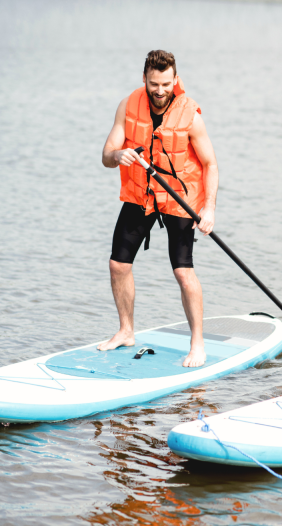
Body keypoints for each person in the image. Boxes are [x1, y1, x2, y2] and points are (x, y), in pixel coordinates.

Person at [98, 50, 219, 368]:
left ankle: (198, 344)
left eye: (166, 83)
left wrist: (209, 209)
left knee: (183, 271)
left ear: (175, 80)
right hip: (141, 194)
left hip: (180, 196)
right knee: (118, 265)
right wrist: (117, 157)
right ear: (144, 79)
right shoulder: (128, 105)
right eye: (154, 83)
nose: (160, 90)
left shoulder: (190, 115)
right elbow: (107, 154)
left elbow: (210, 164)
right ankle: (126, 330)